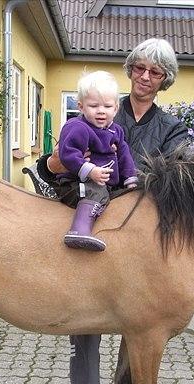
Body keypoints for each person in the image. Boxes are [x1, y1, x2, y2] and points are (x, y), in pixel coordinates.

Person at [25, 38, 188, 384]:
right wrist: (56, 162)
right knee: (87, 320)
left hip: (142, 242)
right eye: (139, 68)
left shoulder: (172, 129)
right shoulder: (98, 111)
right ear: (130, 69)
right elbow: (55, 169)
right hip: (96, 226)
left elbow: (176, 183)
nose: (145, 78)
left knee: (143, 325)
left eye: (155, 72)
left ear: (164, 80)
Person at [58, 71, 138, 252]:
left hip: (105, 185)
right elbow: (67, 153)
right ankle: (79, 231)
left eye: (107, 106)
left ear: (116, 108)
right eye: (93, 105)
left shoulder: (116, 131)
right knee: (97, 191)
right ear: (81, 106)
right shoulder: (78, 127)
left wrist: (130, 179)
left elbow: (124, 155)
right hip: (74, 183)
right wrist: (90, 170)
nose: (101, 111)